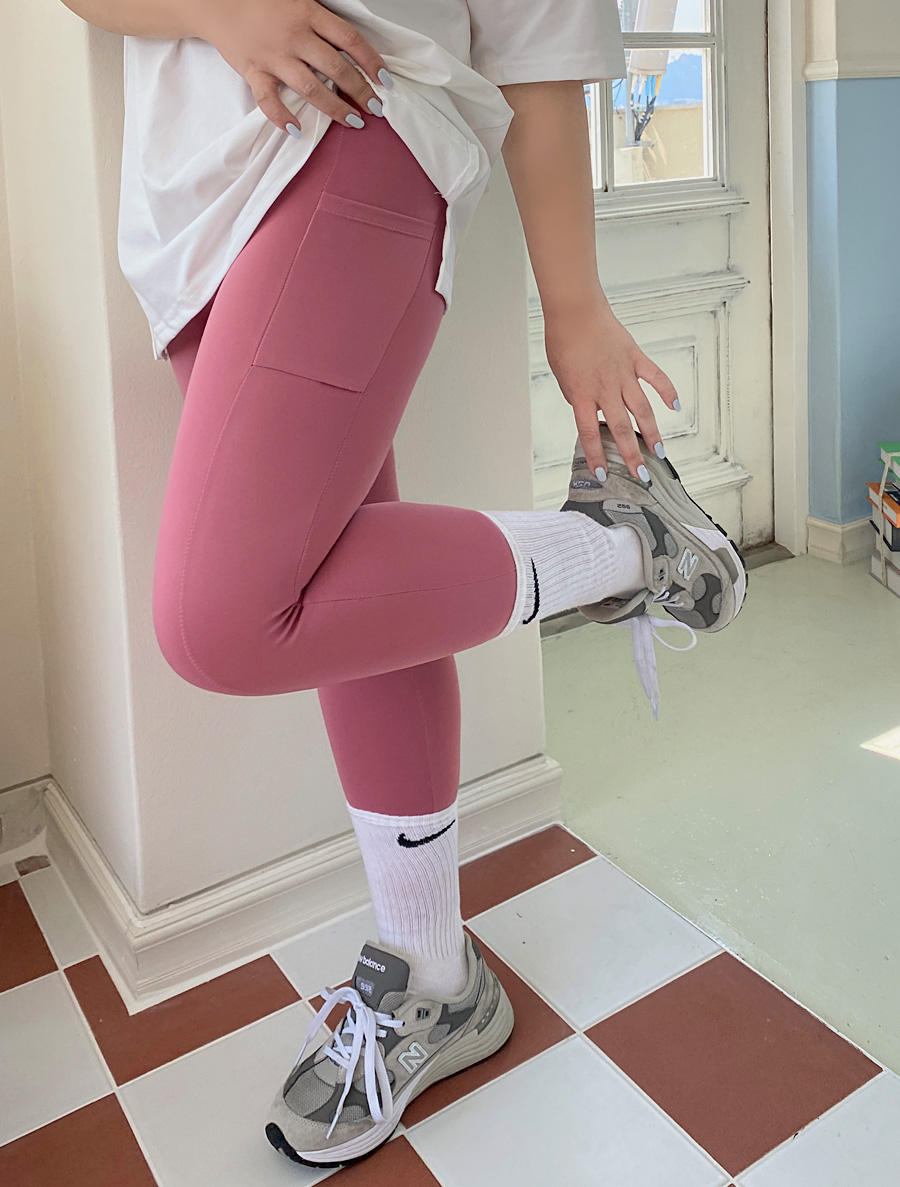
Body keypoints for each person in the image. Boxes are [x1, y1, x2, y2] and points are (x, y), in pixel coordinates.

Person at [64, 0, 747, 1167]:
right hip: (182, 213)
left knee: (221, 622)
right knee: (345, 591)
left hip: (352, 127)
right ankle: (435, 973)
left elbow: (539, 34)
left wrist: (574, 305)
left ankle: (624, 549)